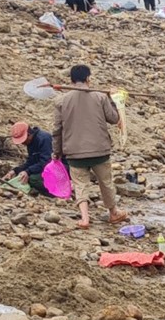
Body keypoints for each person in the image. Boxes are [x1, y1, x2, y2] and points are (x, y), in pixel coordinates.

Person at [52, 64, 124, 228]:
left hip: (74, 151)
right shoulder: (100, 97)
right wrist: (113, 99)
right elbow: (114, 119)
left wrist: (56, 151)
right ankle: (113, 212)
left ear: (71, 80)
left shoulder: (61, 100)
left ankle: (85, 219)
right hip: (99, 149)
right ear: (88, 79)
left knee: (80, 184)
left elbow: (57, 130)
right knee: (105, 182)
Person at [6, 119, 53, 193]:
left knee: (33, 179)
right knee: (22, 175)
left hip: (58, 169)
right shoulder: (30, 142)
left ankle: (57, 192)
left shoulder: (44, 139)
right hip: (45, 168)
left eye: (23, 140)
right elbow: (31, 161)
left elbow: (46, 162)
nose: (22, 143)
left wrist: (28, 172)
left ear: (29, 134)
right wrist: (15, 170)